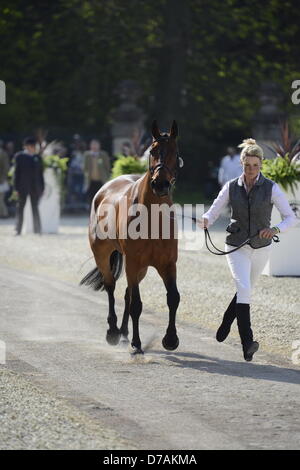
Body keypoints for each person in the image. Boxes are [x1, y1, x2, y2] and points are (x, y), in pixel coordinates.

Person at [200, 138, 297, 362]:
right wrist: (205, 219)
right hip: (236, 246)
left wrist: (274, 229)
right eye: (247, 165)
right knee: (244, 287)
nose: (251, 169)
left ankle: (227, 319)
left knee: (245, 290)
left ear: (261, 165)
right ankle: (247, 344)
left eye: (255, 165)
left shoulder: (271, 187)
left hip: (262, 248)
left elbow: (290, 217)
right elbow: (214, 210)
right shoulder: (231, 186)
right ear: (241, 164)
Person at [14, 136, 44, 235]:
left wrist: (42, 187)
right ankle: (18, 229)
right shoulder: (19, 156)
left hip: (35, 188)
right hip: (22, 187)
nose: (34, 148)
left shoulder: (37, 157)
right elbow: (16, 173)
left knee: (35, 208)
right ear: (27, 146)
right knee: (20, 208)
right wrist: (16, 188)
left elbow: (40, 174)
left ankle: (38, 229)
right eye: (32, 146)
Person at [83, 139, 111, 205]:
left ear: (99, 146)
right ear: (90, 146)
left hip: (101, 181)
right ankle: (91, 214)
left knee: (102, 199)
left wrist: (107, 177)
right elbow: (85, 168)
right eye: (93, 145)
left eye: (96, 144)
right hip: (91, 181)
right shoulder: (87, 155)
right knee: (91, 200)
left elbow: (108, 167)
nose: (94, 146)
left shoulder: (103, 154)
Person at [0, 140, 10, 218]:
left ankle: (4, 214)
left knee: (1, 199)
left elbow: (6, 167)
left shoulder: (3, 154)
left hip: (1, 180)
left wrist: (3, 179)